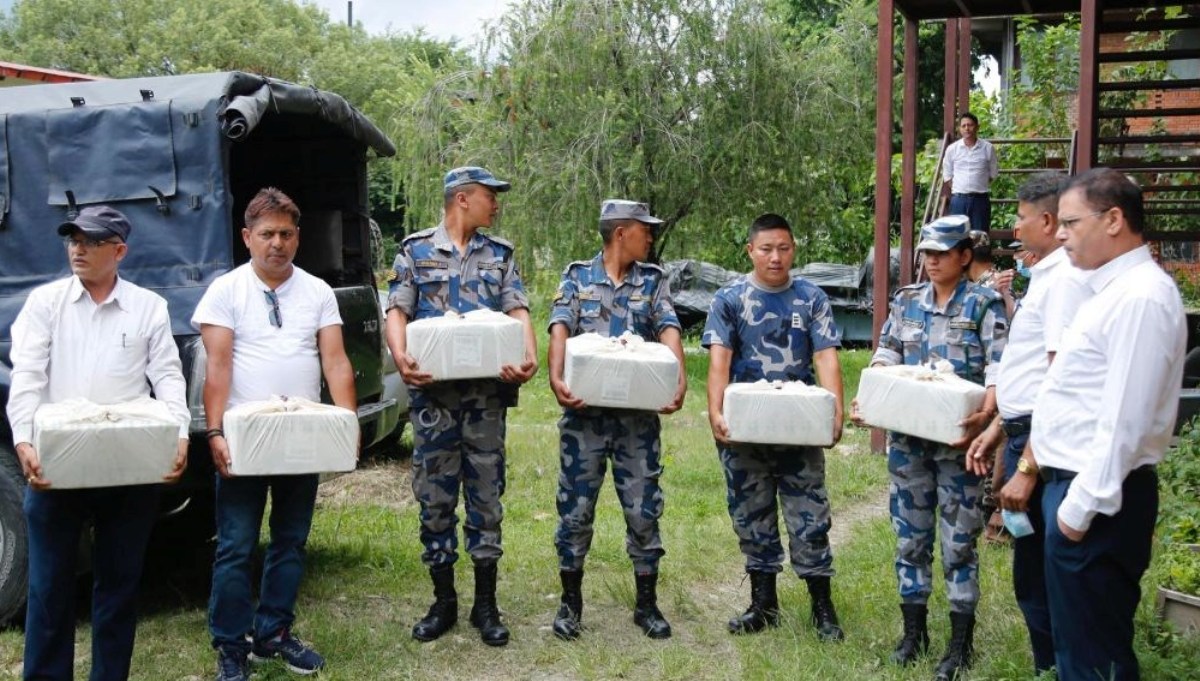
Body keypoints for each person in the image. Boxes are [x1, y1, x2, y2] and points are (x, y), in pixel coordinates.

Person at [7, 205, 190, 681]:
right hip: (55, 466)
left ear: (119, 251)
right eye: (73, 240)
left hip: (126, 465)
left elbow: (168, 377)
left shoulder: (149, 307)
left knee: (118, 587)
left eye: (90, 241)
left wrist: (178, 434)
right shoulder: (45, 305)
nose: (77, 249)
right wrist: (23, 440)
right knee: (48, 588)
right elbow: (26, 378)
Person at [195, 188, 357, 681]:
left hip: (301, 437)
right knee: (237, 545)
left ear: (298, 237)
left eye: (286, 234)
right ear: (248, 237)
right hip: (246, 439)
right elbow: (217, 368)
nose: (277, 244)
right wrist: (216, 431)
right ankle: (231, 645)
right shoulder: (226, 291)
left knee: (290, 541)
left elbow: (335, 360)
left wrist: (346, 423)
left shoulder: (317, 292)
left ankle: (274, 634)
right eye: (267, 234)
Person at [1030, 168, 1185, 680]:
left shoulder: (1140, 297)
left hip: (1096, 502)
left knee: (1094, 657)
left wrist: (1078, 509)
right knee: (1081, 646)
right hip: (1083, 494)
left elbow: (1126, 417)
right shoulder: (1116, 290)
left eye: (1072, 222)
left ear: (1114, 219)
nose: (1060, 233)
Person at [385, 166, 538, 648]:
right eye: (490, 196)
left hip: (486, 398)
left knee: (487, 496)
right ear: (463, 199)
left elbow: (517, 309)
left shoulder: (500, 254)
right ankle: (443, 600)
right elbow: (397, 309)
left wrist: (528, 355)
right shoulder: (415, 250)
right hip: (434, 398)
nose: (497, 204)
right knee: (434, 498)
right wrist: (400, 356)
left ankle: (485, 604)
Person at [852, 214, 1007, 681]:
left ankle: (960, 645)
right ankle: (912, 633)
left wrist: (987, 414)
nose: (932, 261)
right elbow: (887, 354)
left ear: (964, 256)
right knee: (910, 538)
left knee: (958, 543)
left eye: (942, 253)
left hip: (961, 444)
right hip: (909, 443)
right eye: (927, 253)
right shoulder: (907, 302)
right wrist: (871, 395)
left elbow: (1000, 370)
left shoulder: (985, 305)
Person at [965, 172, 1091, 676]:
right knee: (1032, 570)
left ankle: (1056, 669)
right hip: (1022, 431)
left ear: (1046, 220)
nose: (1014, 228)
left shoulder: (1062, 282)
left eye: (1019, 218)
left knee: (1043, 575)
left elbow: (1059, 375)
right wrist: (997, 428)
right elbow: (1029, 366)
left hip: (1042, 441)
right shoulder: (1046, 274)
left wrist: (1029, 464)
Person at [546, 199, 686, 641]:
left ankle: (646, 605)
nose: (651, 236)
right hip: (584, 420)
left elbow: (668, 328)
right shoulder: (576, 277)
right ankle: (571, 606)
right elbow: (559, 327)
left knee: (644, 511)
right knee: (575, 510)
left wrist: (677, 377)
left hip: (637, 423)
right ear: (621, 232)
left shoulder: (653, 280)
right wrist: (556, 377)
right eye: (645, 229)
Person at [702, 213, 846, 642]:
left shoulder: (811, 298)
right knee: (751, 515)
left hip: (798, 428)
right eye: (766, 249)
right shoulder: (730, 298)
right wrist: (715, 412)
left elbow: (826, 356)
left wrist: (834, 411)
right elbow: (718, 361)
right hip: (747, 429)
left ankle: (823, 607)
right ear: (750, 251)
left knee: (809, 518)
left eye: (783, 248)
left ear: (794, 249)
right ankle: (763, 605)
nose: (775, 257)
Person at [943, 112, 1000, 233]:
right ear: (960, 129)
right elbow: (947, 175)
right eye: (963, 126)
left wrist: (978, 184)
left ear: (977, 127)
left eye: (970, 125)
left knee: (980, 239)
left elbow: (993, 173)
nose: (967, 128)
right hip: (958, 201)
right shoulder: (952, 149)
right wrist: (961, 189)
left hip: (980, 200)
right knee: (958, 238)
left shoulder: (988, 148)